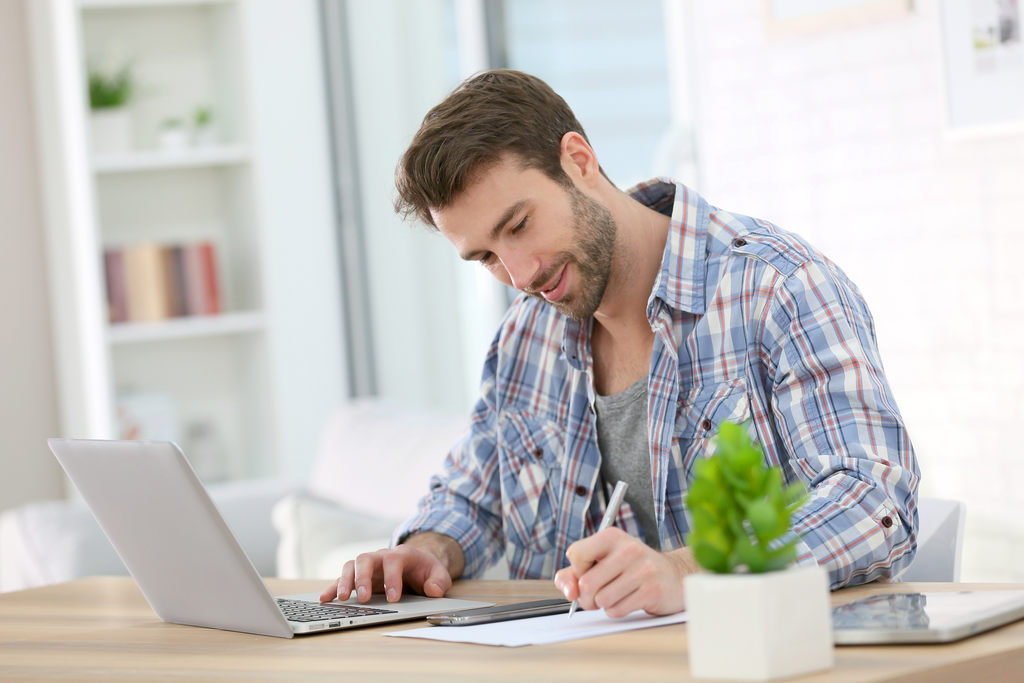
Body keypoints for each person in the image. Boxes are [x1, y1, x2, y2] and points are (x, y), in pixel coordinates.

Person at [320, 70, 920, 616]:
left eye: (519, 225)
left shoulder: (777, 288)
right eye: (485, 257)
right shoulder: (523, 340)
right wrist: (428, 549)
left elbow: (875, 503)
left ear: (578, 160)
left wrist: (689, 571)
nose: (520, 274)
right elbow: (472, 497)